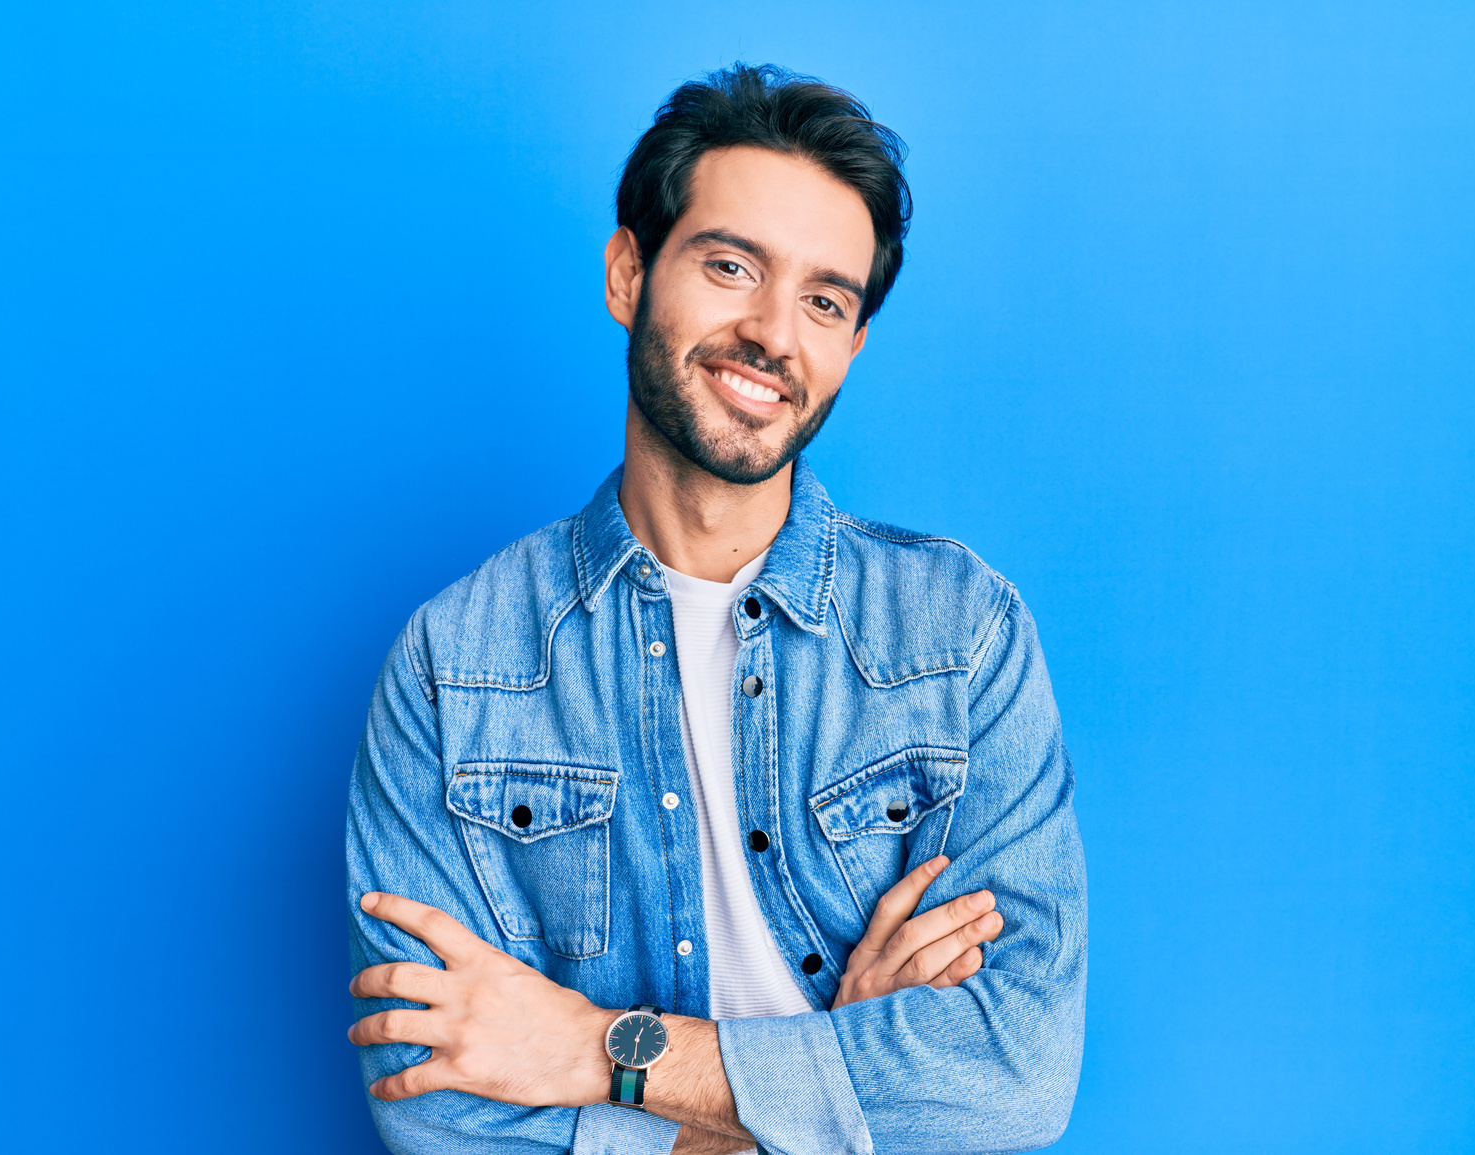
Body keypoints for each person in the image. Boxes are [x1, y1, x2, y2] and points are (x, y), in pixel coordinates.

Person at [345, 63, 1086, 1155]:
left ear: (852, 345)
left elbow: (1013, 1075)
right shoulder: (453, 663)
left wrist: (603, 1052)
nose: (773, 335)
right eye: (731, 266)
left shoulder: (959, 634)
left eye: (824, 301)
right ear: (626, 271)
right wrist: (827, 1081)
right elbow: (442, 1112)